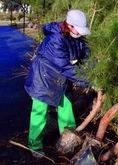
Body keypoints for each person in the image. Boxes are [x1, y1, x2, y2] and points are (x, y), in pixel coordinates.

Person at [24, 9, 91, 156]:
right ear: (69, 25)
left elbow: (86, 56)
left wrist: (96, 72)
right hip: (42, 79)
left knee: (66, 108)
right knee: (39, 113)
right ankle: (34, 146)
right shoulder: (56, 39)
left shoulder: (77, 38)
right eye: (78, 29)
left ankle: (68, 139)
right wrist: (90, 80)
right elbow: (66, 67)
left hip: (60, 80)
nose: (80, 33)